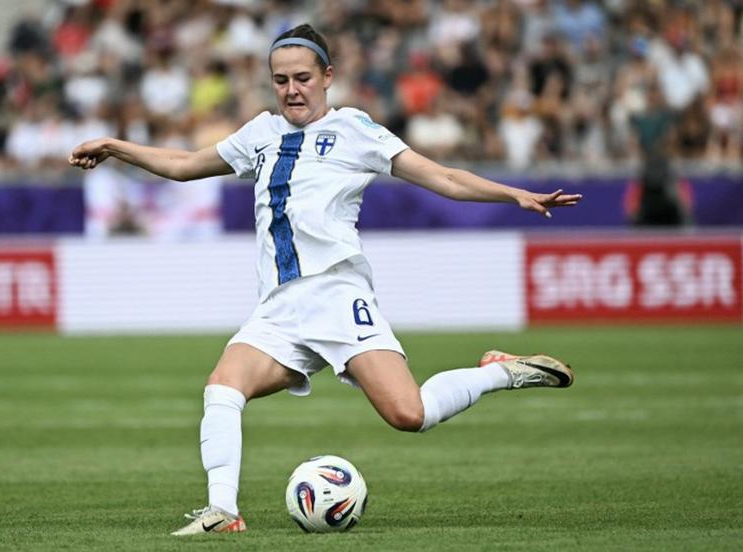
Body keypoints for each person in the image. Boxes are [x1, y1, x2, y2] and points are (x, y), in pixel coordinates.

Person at [69, 24, 582, 536]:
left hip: (336, 294)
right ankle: (222, 512)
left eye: (302, 78)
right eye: (280, 80)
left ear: (327, 76)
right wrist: (116, 146)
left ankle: (500, 371)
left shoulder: (356, 130)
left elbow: (442, 177)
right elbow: (183, 165)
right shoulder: (261, 134)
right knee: (223, 387)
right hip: (277, 308)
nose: (292, 90)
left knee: (410, 414)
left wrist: (513, 193)